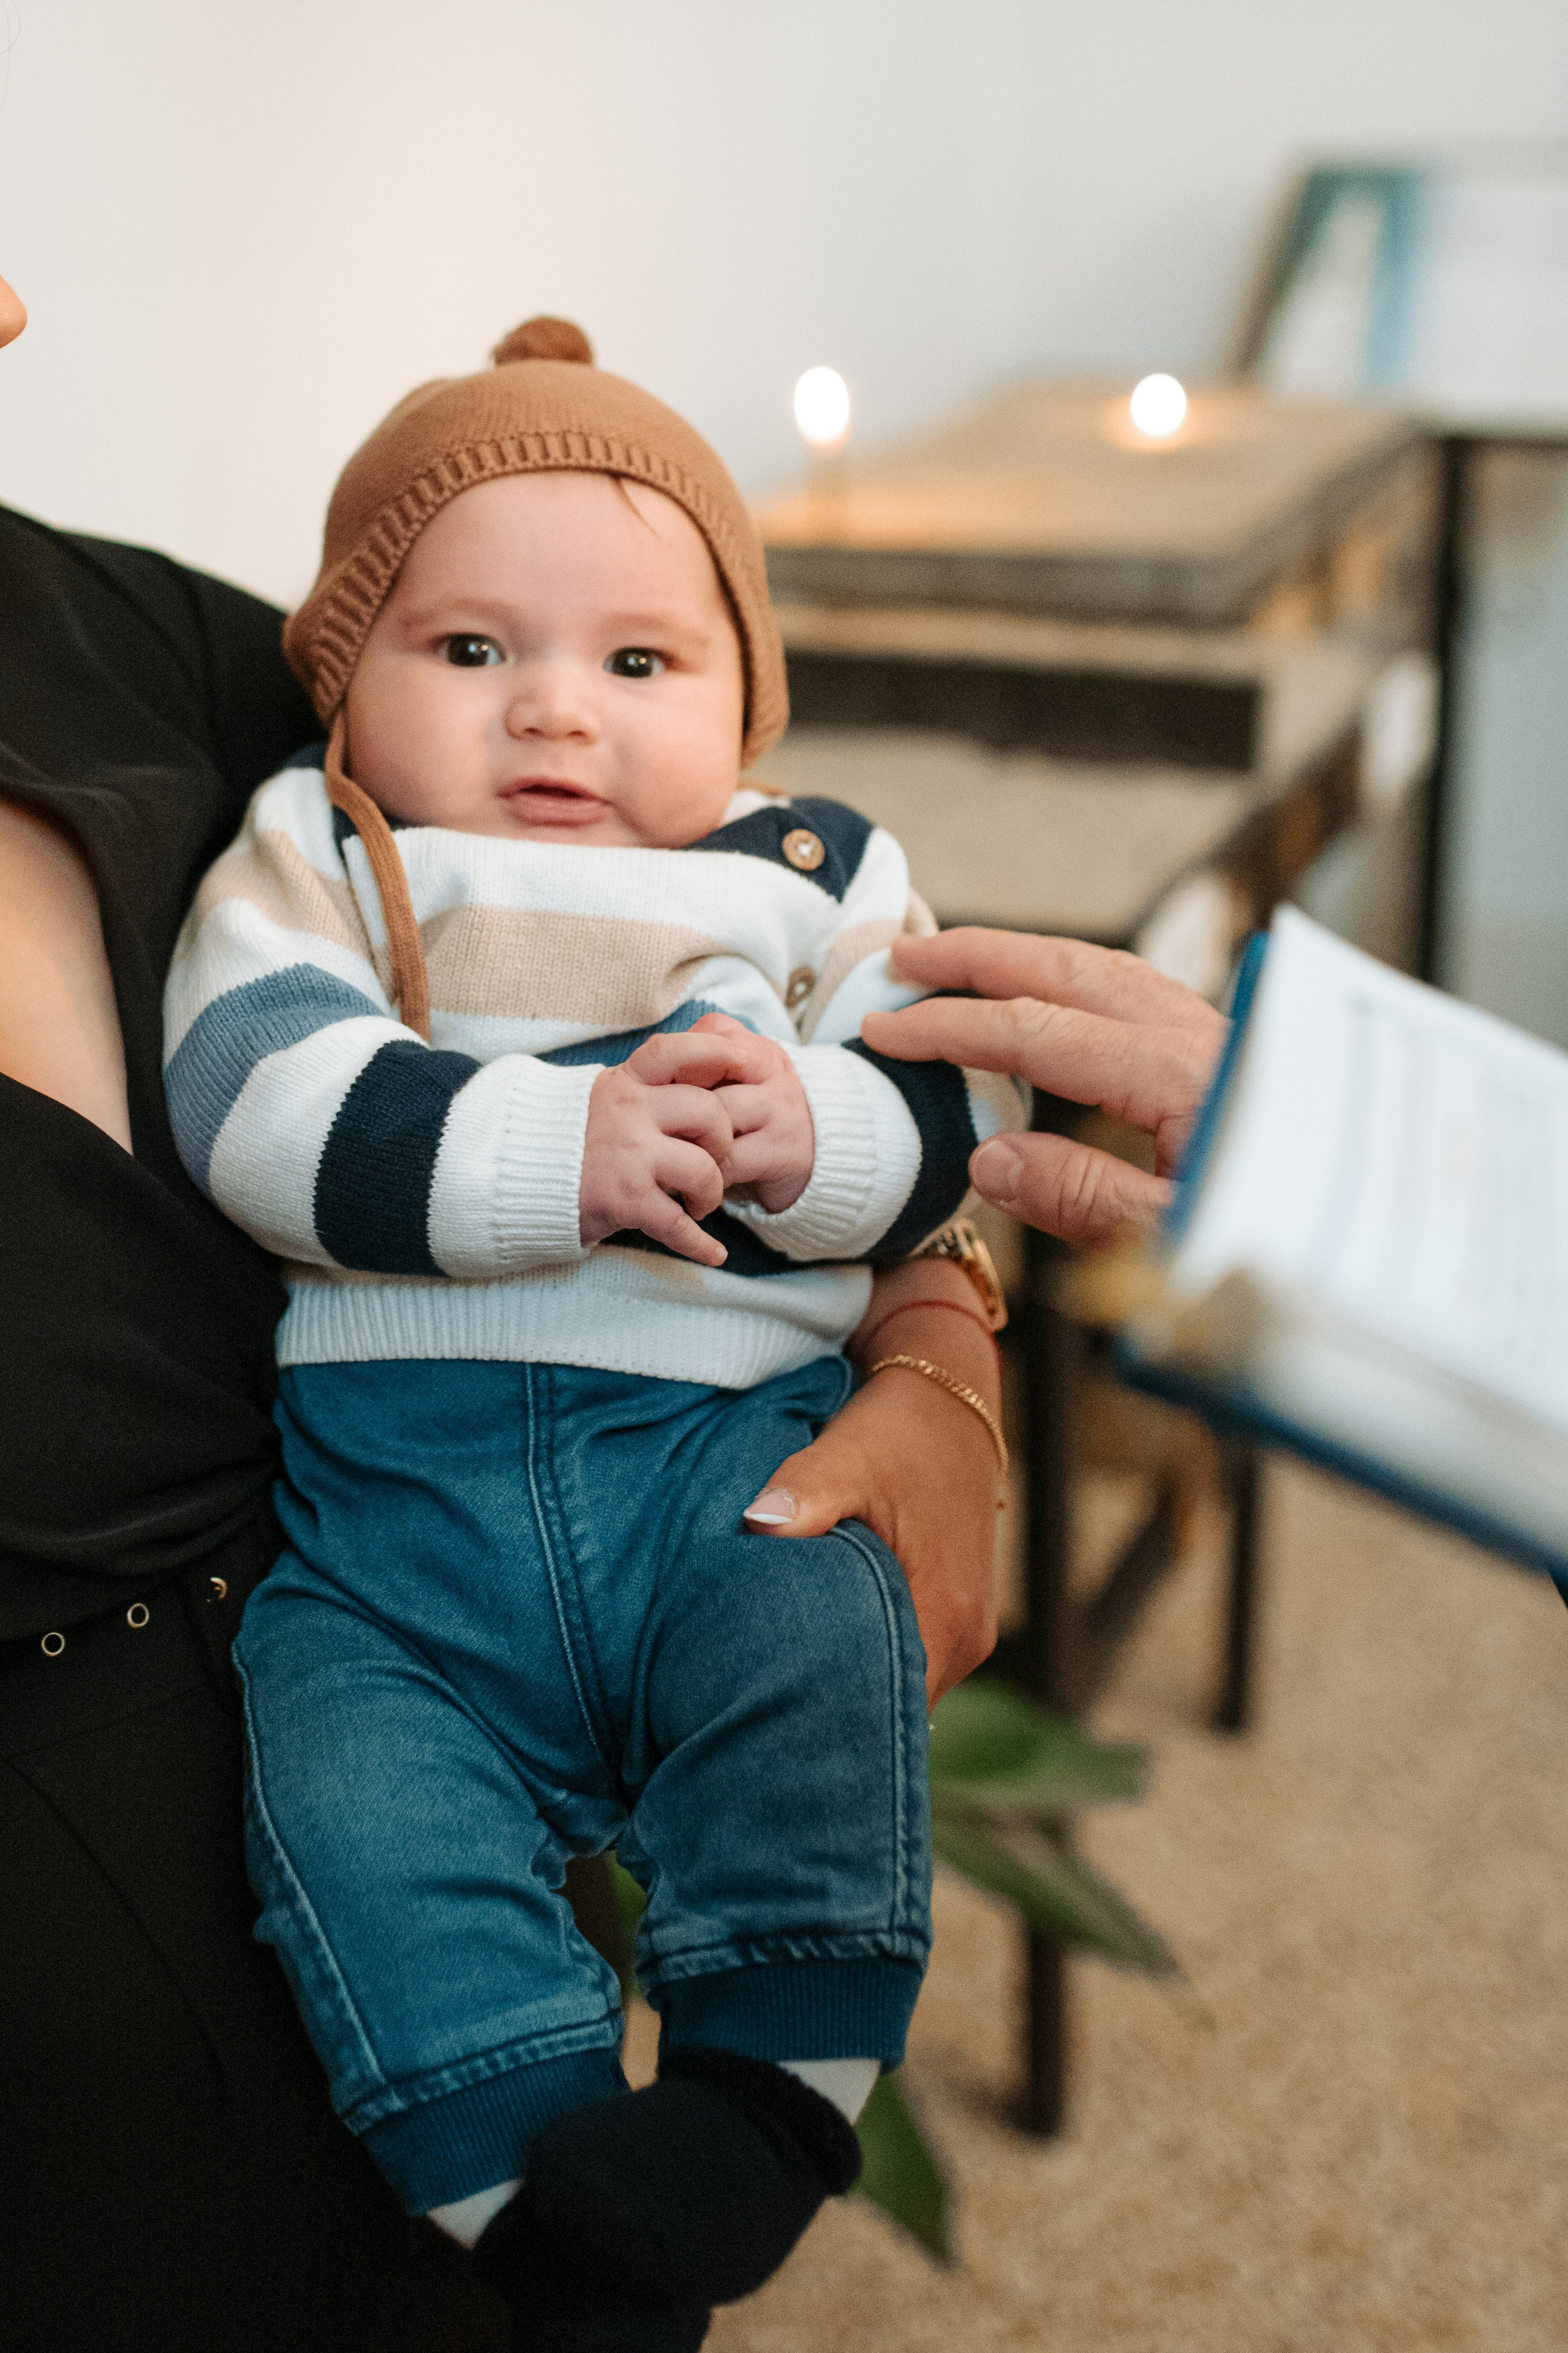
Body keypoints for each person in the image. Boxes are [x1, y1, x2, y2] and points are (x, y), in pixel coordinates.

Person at [0, 266, 1003, 2351]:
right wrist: (564, 1158)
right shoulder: (334, 850)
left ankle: (758, 2094)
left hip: (717, 1463)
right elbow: (264, 1088)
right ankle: (554, 2205)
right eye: (473, 651)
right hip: (379, 1559)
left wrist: (867, 1224)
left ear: (747, 695)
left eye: (644, 659)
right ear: (357, 683)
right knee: (366, 1819)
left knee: (809, 1673)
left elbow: (943, 1103)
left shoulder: (805, 872)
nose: (555, 709)